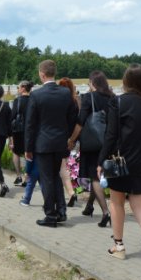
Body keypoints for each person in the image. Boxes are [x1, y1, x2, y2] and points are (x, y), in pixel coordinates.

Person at [97, 64, 141, 273]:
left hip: (120, 161)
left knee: (117, 202)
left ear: (126, 82)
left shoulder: (117, 102)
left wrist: (100, 161)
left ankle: (119, 246)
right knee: (140, 205)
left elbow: (110, 135)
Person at [25, 60, 76, 228]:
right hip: (60, 142)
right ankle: (61, 211)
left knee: (46, 179)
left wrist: (28, 148)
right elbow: (72, 117)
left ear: (42, 74)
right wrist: (66, 135)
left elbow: (30, 124)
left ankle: (50, 214)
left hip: (43, 143)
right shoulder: (65, 93)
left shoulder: (36, 95)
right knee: (55, 176)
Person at [68, 71, 114, 227]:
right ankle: (89, 206)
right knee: (97, 175)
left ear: (92, 83)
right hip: (108, 141)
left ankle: (106, 212)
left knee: (94, 177)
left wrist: (72, 140)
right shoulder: (112, 98)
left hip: (92, 143)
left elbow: (80, 122)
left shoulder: (89, 98)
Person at [58, 77, 80, 207]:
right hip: (69, 137)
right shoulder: (74, 102)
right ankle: (69, 193)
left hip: (58, 137)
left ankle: (71, 193)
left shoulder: (59, 102)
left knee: (62, 168)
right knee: (64, 166)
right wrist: (72, 139)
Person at [9, 81, 33, 186]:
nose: (18, 89)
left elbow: (12, 116)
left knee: (16, 153)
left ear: (23, 88)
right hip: (31, 131)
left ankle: (18, 176)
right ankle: (27, 179)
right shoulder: (34, 100)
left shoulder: (17, 100)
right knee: (29, 154)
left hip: (19, 131)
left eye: (18, 87)